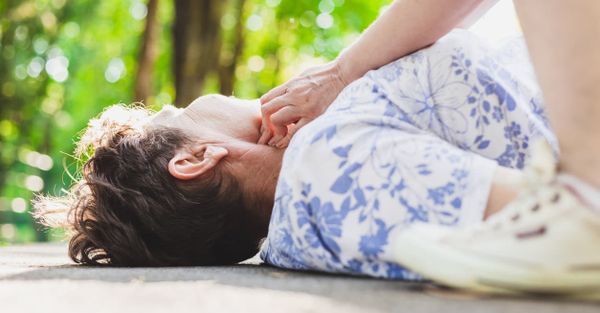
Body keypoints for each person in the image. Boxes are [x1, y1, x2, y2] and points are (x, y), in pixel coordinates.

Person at [37, 27, 555, 288]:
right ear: (195, 158)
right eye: (172, 112)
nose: (176, 102)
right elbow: (560, 218)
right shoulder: (326, 165)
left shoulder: (294, 224)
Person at [259, 0, 600, 293]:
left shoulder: (299, 227)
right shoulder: (319, 159)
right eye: (260, 116)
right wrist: (341, 73)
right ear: (205, 155)